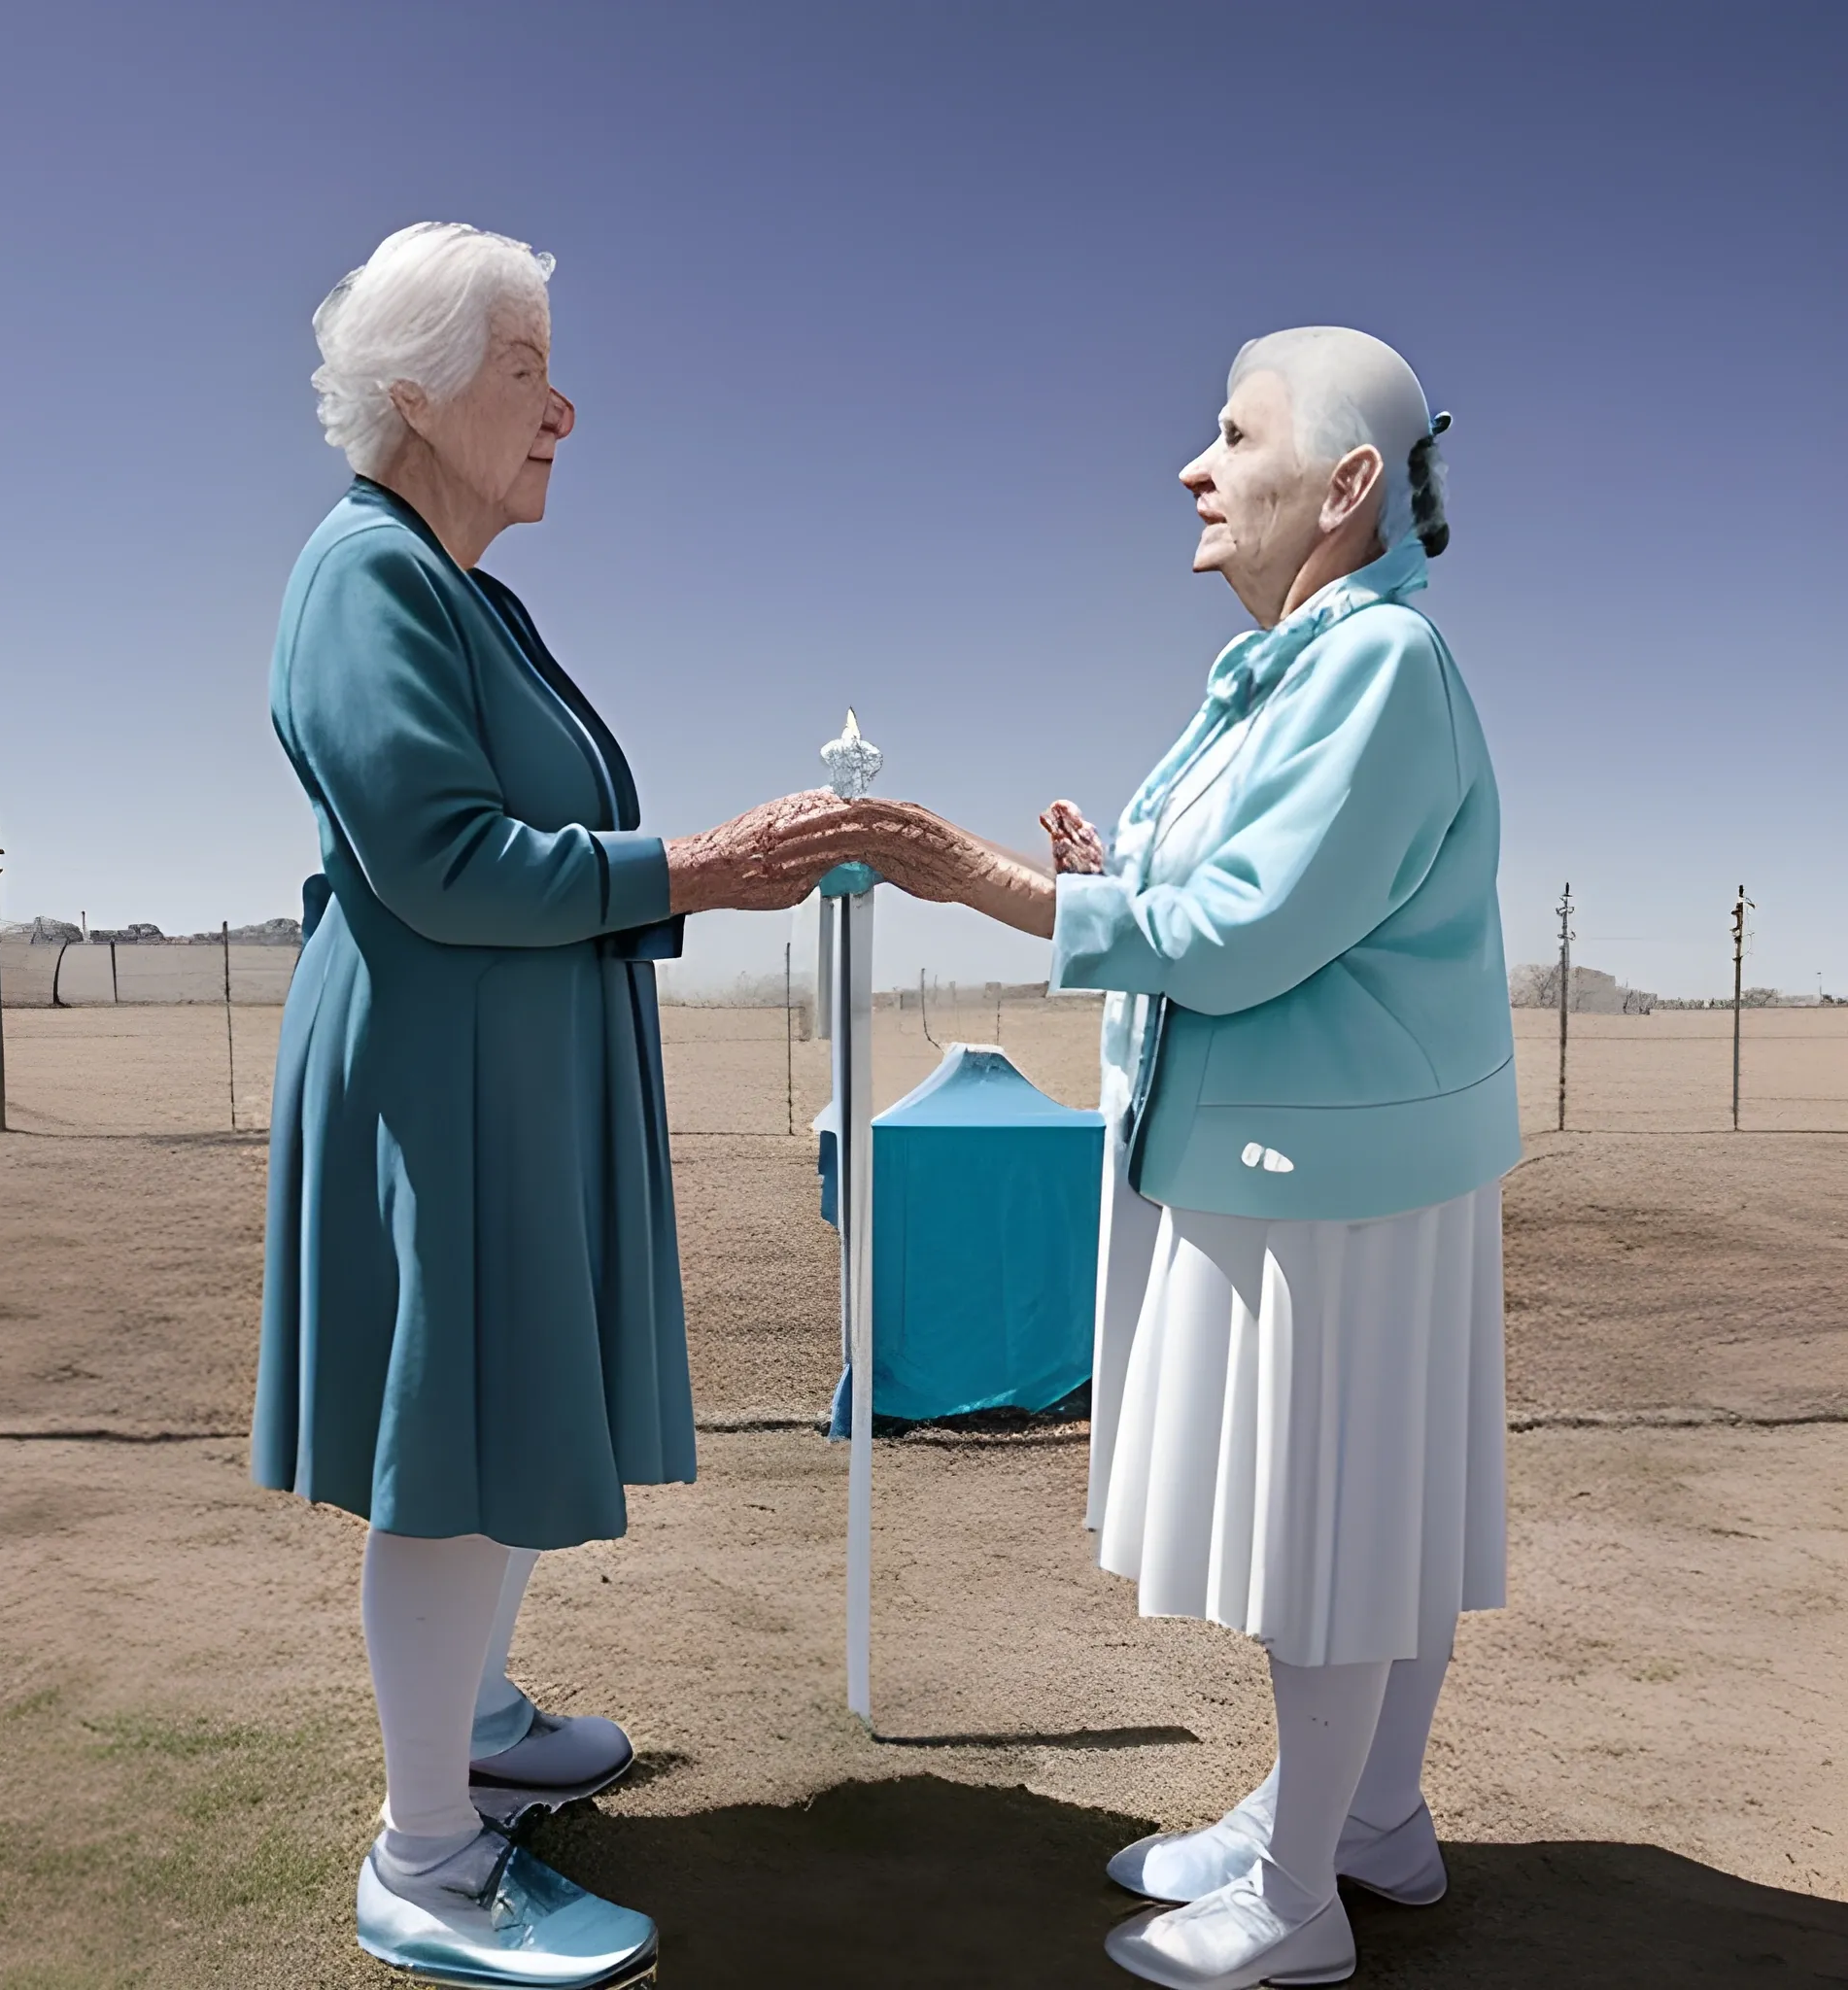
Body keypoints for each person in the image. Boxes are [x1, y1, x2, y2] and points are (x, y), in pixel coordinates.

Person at [251, 222, 865, 1988]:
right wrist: (700, 865)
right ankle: (428, 1859)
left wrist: (693, 870)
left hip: (504, 1071)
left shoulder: (457, 586)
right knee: (453, 1435)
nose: (564, 409)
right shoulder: (358, 575)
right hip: (436, 1085)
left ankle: (480, 1717)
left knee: (509, 1401)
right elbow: (441, 860)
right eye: (528, 371)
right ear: (420, 393)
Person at [872, 328, 1520, 1988]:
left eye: (1234, 435)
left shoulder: (1376, 666)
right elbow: (1232, 887)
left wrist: (987, 883)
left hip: (1334, 1184)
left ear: (1348, 486)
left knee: (1336, 1525)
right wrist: (1114, 874)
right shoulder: (1305, 666)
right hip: (1322, 1161)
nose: (1194, 465)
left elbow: (1245, 932)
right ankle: (1365, 1818)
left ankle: (1300, 1900)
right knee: (1380, 1509)